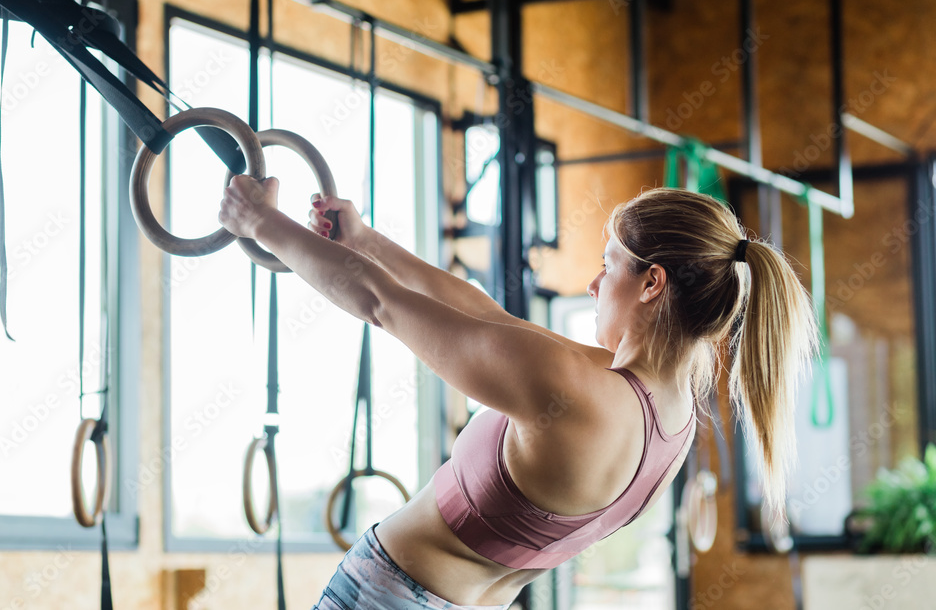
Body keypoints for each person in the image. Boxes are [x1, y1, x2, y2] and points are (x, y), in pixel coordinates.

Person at [218, 181, 818, 609]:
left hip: (388, 596)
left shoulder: (574, 387)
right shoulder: (670, 421)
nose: (592, 283)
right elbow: (484, 314)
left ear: (652, 282)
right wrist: (367, 239)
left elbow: (381, 304)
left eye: (608, 264)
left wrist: (260, 223)